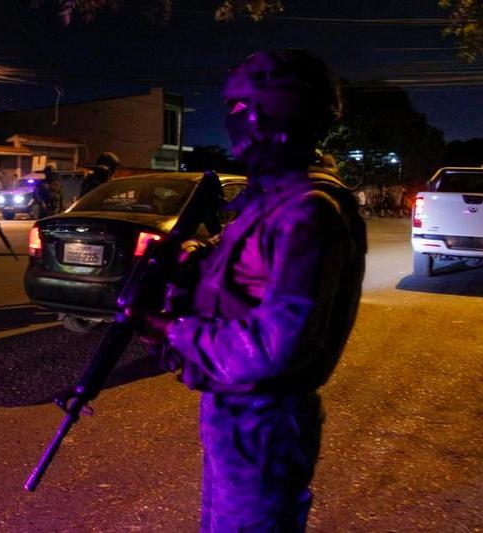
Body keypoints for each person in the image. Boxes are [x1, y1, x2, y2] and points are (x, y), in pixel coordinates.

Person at [147, 49, 367, 531]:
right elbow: (234, 276)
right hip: (237, 411)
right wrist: (188, 264)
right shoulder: (273, 199)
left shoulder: (307, 211)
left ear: (286, 111)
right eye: (233, 106)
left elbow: (272, 349)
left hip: (264, 419)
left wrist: (173, 330)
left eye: (249, 105)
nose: (237, 121)